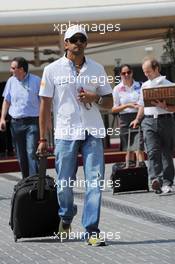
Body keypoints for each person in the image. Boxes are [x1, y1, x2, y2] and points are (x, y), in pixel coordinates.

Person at [37, 25, 113, 246]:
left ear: (86, 43)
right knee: (64, 184)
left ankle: (91, 230)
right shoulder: (51, 70)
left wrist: (95, 97)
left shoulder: (97, 69)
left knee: (94, 182)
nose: (79, 42)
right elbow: (44, 105)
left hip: (93, 131)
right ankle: (66, 216)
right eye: (74, 39)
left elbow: (109, 102)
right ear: (66, 43)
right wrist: (42, 139)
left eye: (83, 39)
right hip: (65, 132)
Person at [131, 58, 175, 194]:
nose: (146, 75)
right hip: (148, 121)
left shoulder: (169, 85)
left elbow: (174, 108)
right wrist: (137, 119)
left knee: (166, 152)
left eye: (148, 72)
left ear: (156, 69)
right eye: (144, 72)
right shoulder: (144, 86)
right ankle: (156, 180)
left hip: (165, 120)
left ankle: (167, 183)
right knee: (152, 152)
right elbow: (142, 106)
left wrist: (165, 106)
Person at [0, 57, 40, 178]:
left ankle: (35, 182)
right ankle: (26, 181)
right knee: (21, 155)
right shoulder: (11, 81)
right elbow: (6, 101)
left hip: (32, 123)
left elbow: (44, 101)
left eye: (13, 68)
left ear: (21, 69)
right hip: (15, 124)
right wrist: (2, 118)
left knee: (31, 152)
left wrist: (46, 120)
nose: (10, 70)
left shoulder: (36, 80)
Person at [112, 64, 145, 166]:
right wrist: (127, 105)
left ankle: (142, 169)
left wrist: (138, 117)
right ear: (120, 75)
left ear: (132, 73)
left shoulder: (140, 85)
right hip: (124, 119)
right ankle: (130, 170)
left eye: (128, 72)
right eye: (123, 73)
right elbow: (114, 109)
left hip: (138, 117)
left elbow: (143, 104)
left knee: (138, 146)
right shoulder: (117, 88)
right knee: (128, 148)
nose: (126, 75)